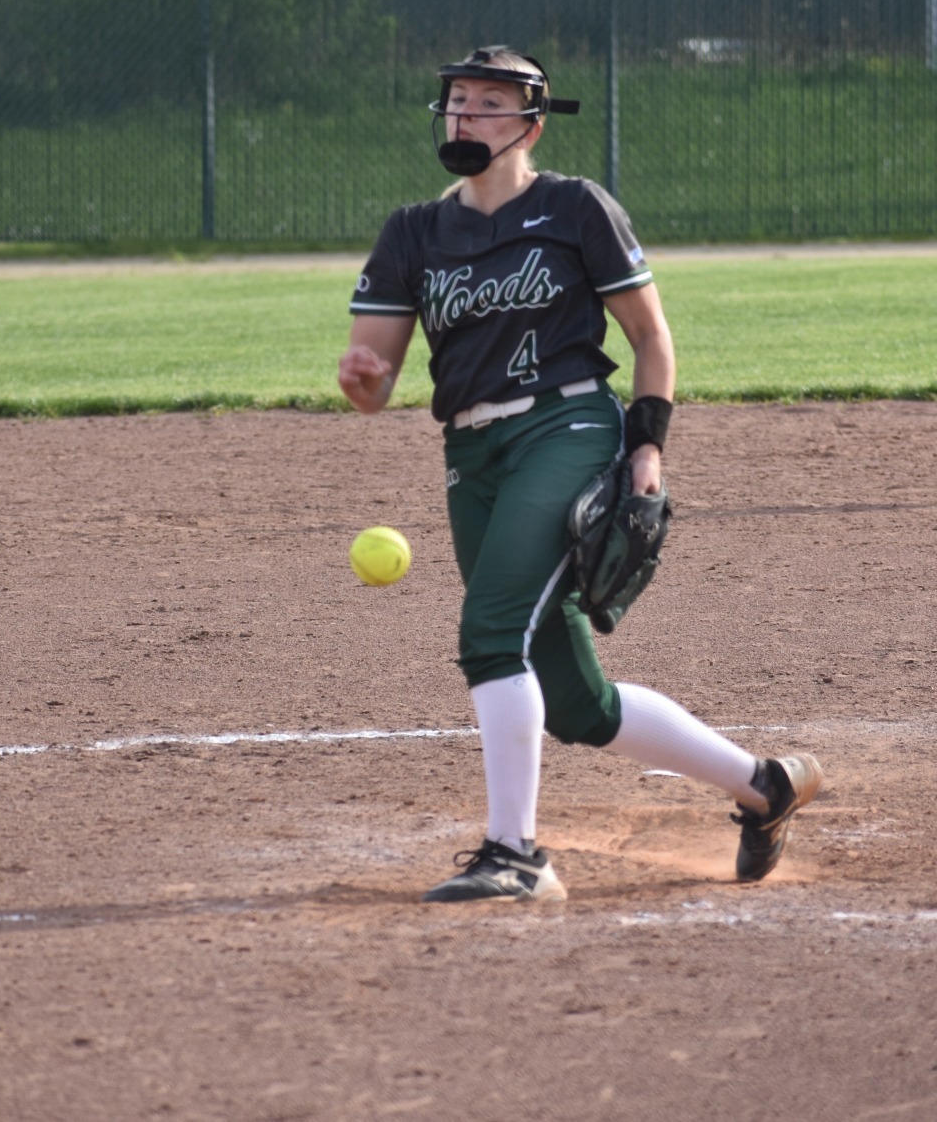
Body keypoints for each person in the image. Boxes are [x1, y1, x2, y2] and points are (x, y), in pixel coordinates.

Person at [338, 46, 822, 902]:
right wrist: (364, 381)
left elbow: (650, 337)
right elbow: (374, 375)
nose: (465, 116)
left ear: (530, 121)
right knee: (573, 702)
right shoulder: (413, 231)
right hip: (472, 453)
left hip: (567, 426)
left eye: (489, 102)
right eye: (456, 100)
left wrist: (648, 443)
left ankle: (515, 853)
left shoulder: (572, 208)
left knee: (489, 634)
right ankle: (765, 786)